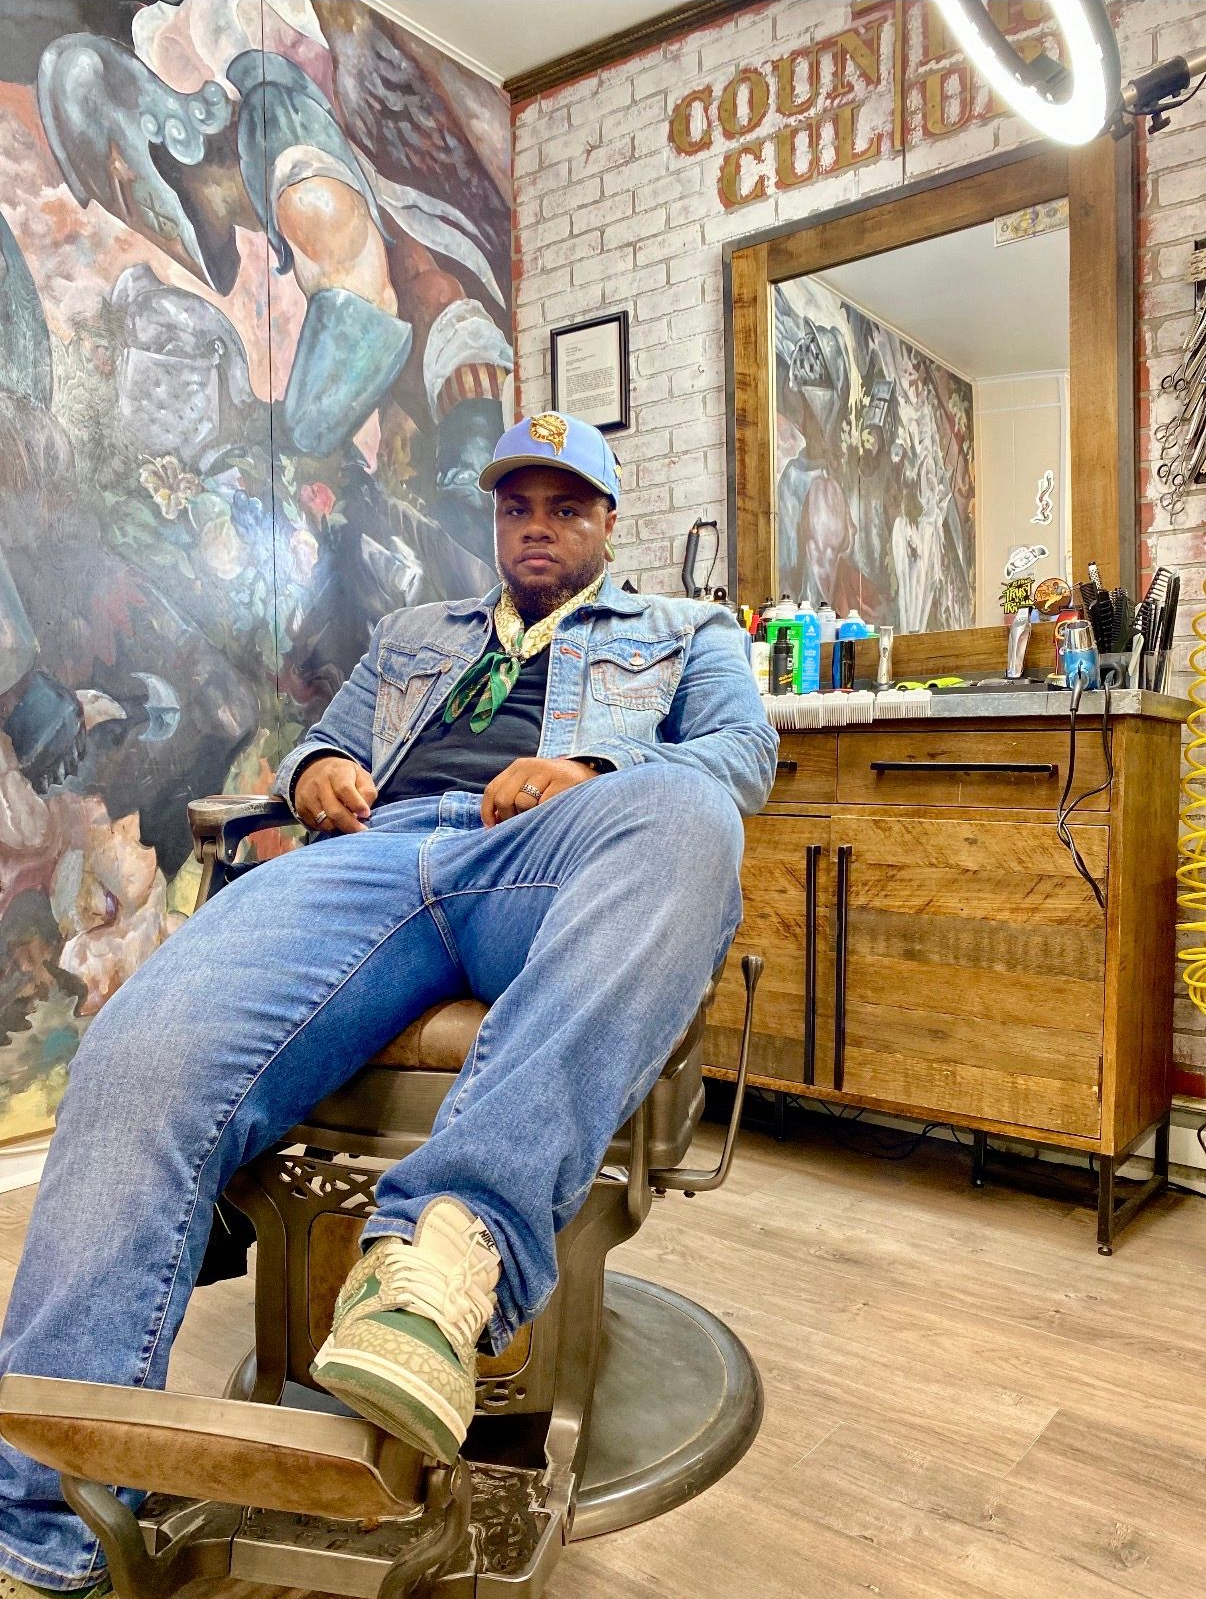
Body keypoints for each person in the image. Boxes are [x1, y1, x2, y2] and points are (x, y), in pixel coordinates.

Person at [0, 411, 777, 1596]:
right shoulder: (418, 634)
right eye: (518, 505)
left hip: (549, 857)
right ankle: (39, 1528)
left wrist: (596, 774)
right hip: (369, 867)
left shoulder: (685, 631)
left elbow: (740, 755)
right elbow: (318, 746)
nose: (536, 526)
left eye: (566, 506)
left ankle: (443, 1256)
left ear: (610, 525)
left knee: (691, 815)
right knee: (141, 1048)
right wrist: (316, 776)